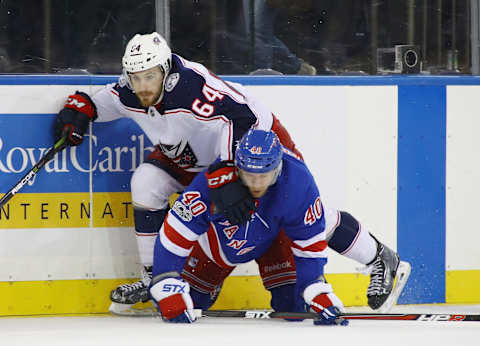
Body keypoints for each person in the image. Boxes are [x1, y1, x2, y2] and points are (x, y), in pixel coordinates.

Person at [52, 32, 410, 314]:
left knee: (294, 209)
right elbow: (102, 100)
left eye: (150, 76)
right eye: (136, 77)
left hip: (252, 142)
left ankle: (379, 257)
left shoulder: (194, 87)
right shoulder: (133, 89)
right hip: (197, 159)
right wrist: (79, 110)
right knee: (145, 182)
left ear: (166, 71)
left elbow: (244, 117)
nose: (143, 85)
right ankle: (153, 279)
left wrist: (229, 171)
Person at [150, 129, 347, 325]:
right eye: (249, 176)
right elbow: (176, 229)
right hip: (221, 245)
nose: (257, 184)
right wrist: (167, 284)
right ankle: (206, 284)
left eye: (264, 176)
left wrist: (316, 290)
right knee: (189, 304)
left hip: (275, 240)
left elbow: (310, 243)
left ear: (278, 168)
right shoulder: (213, 182)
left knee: (293, 307)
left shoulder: (298, 182)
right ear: (236, 167)